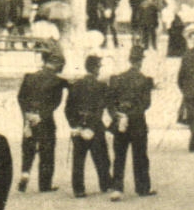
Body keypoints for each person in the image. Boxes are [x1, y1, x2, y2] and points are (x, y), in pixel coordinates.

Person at [16, 48, 67, 193]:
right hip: (45, 120)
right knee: (47, 152)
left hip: (29, 119)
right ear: (57, 64)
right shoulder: (57, 81)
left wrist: (26, 115)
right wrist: (41, 115)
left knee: (28, 149)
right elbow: (55, 103)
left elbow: (20, 98)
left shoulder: (29, 77)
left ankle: (25, 174)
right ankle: (44, 185)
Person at [108, 44, 156, 197]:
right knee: (140, 156)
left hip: (121, 121)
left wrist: (119, 115)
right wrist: (131, 114)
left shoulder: (118, 78)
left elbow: (110, 101)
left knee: (119, 156)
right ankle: (142, 188)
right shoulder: (144, 80)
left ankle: (117, 188)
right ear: (140, 61)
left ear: (130, 60)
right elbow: (146, 104)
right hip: (137, 122)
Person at [65, 54, 113, 198]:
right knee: (102, 157)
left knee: (78, 160)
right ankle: (105, 184)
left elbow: (68, 109)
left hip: (78, 125)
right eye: (99, 67)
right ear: (96, 68)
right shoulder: (101, 86)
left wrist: (75, 125)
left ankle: (78, 189)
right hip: (95, 126)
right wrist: (91, 127)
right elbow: (100, 109)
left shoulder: (75, 85)